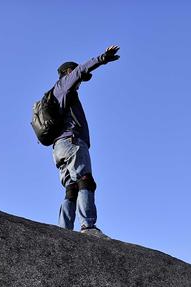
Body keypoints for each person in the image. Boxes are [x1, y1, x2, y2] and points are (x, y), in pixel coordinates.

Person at [51, 45, 120, 238]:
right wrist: (102, 58)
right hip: (72, 142)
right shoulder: (65, 84)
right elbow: (82, 69)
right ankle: (88, 226)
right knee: (85, 180)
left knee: (71, 187)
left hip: (59, 148)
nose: (80, 83)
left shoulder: (57, 95)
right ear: (68, 72)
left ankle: (63, 230)